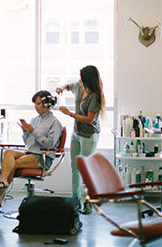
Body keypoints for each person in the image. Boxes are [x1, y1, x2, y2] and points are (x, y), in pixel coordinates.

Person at [0, 90, 62, 212]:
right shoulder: (35, 119)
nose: (35, 106)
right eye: (35, 103)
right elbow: (28, 143)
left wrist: (34, 132)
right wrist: (25, 132)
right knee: (8, 152)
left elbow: (49, 144)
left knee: (10, 166)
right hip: (30, 153)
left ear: (47, 105)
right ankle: (3, 182)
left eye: (38, 103)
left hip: (42, 157)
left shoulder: (55, 123)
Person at [56, 65, 105, 214]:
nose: (79, 80)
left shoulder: (95, 96)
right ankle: (75, 199)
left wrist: (69, 113)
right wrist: (61, 88)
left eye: (82, 78)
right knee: (75, 167)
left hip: (89, 135)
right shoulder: (79, 86)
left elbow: (89, 119)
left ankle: (89, 201)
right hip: (76, 133)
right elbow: (69, 85)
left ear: (89, 80)